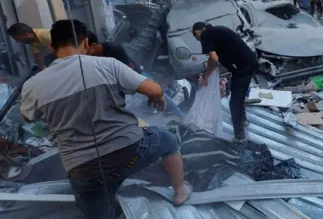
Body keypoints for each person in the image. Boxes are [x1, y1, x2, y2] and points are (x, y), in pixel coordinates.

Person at [20, 20, 191, 218]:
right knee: (166, 140)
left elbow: (27, 117)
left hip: (83, 170)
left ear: (51, 47)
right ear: (85, 43)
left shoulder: (33, 85)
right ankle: (180, 190)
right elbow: (154, 89)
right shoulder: (108, 65)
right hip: (130, 153)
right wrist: (158, 97)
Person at [192, 23, 258, 141]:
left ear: (197, 32)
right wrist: (206, 77)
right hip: (249, 62)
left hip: (243, 68)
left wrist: (213, 69)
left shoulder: (205, 35)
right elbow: (210, 59)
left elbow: (214, 59)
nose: (198, 41)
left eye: (196, 38)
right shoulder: (216, 31)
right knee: (238, 94)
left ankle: (239, 135)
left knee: (235, 102)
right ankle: (243, 120)